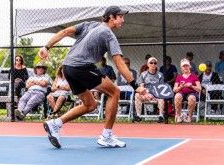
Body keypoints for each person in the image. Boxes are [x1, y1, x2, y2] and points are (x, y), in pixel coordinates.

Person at [38, 6, 145, 148]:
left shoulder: (90, 24)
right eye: (120, 16)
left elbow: (65, 32)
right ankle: (106, 136)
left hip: (67, 67)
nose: (123, 20)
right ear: (111, 17)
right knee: (115, 92)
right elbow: (119, 62)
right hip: (81, 67)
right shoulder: (108, 34)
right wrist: (135, 86)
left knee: (91, 105)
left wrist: (46, 47)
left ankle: (55, 124)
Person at [134, 57, 165, 123]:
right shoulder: (143, 74)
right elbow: (141, 87)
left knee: (161, 98)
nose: (153, 64)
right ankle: (138, 116)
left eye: (155, 63)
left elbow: (160, 87)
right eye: (151, 63)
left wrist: (153, 94)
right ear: (148, 64)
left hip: (156, 94)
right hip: (146, 94)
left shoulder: (160, 75)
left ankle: (161, 116)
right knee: (137, 95)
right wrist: (147, 94)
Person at [173, 58, 201, 123]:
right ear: (181, 68)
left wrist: (191, 86)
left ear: (189, 66)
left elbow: (199, 89)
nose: (185, 67)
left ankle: (189, 117)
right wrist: (180, 86)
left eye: (187, 65)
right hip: (182, 92)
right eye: (183, 66)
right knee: (177, 96)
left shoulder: (194, 76)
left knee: (191, 98)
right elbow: (174, 90)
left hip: (192, 93)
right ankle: (179, 116)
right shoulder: (179, 77)